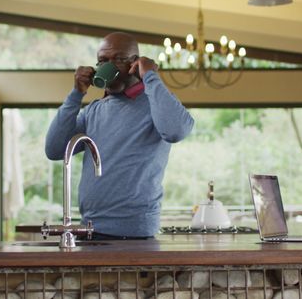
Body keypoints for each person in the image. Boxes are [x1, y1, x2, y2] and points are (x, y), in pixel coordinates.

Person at [45, 32, 194, 239]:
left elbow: (176, 130)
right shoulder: (94, 111)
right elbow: (54, 149)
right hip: (90, 229)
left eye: (118, 59)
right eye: (103, 61)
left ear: (135, 63)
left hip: (134, 233)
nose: (109, 66)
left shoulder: (155, 102)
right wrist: (76, 93)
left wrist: (150, 76)